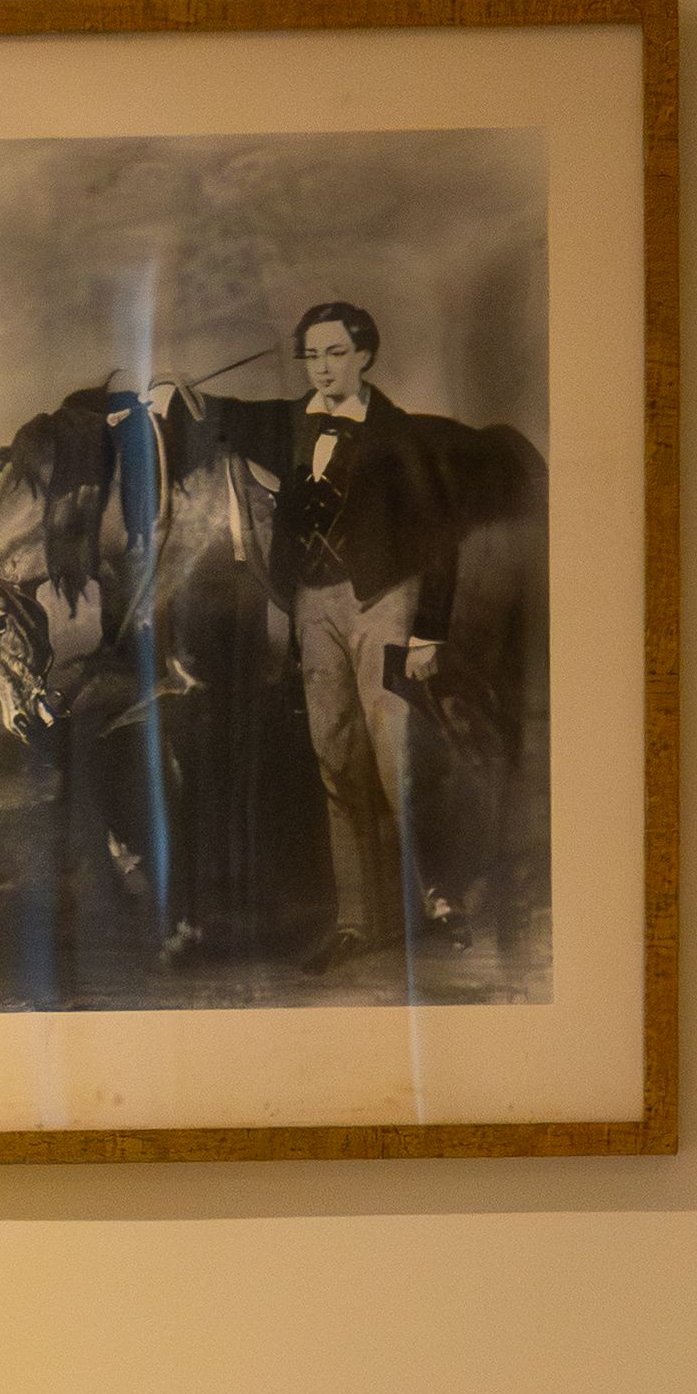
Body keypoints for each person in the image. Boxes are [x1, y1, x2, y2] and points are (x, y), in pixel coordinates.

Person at [161, 302, 488, 972]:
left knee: (392, 749)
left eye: (336, 353)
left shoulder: (398, 434)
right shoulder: (291, 420)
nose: (323, 367)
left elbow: (442, 535)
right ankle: (357, 921)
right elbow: (219, 412)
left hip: (384, 599)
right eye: (311, 354)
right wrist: (170, 394)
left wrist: (428, 633)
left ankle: (437, 895)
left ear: (364, 356)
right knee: (334, 755)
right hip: (313, 604)